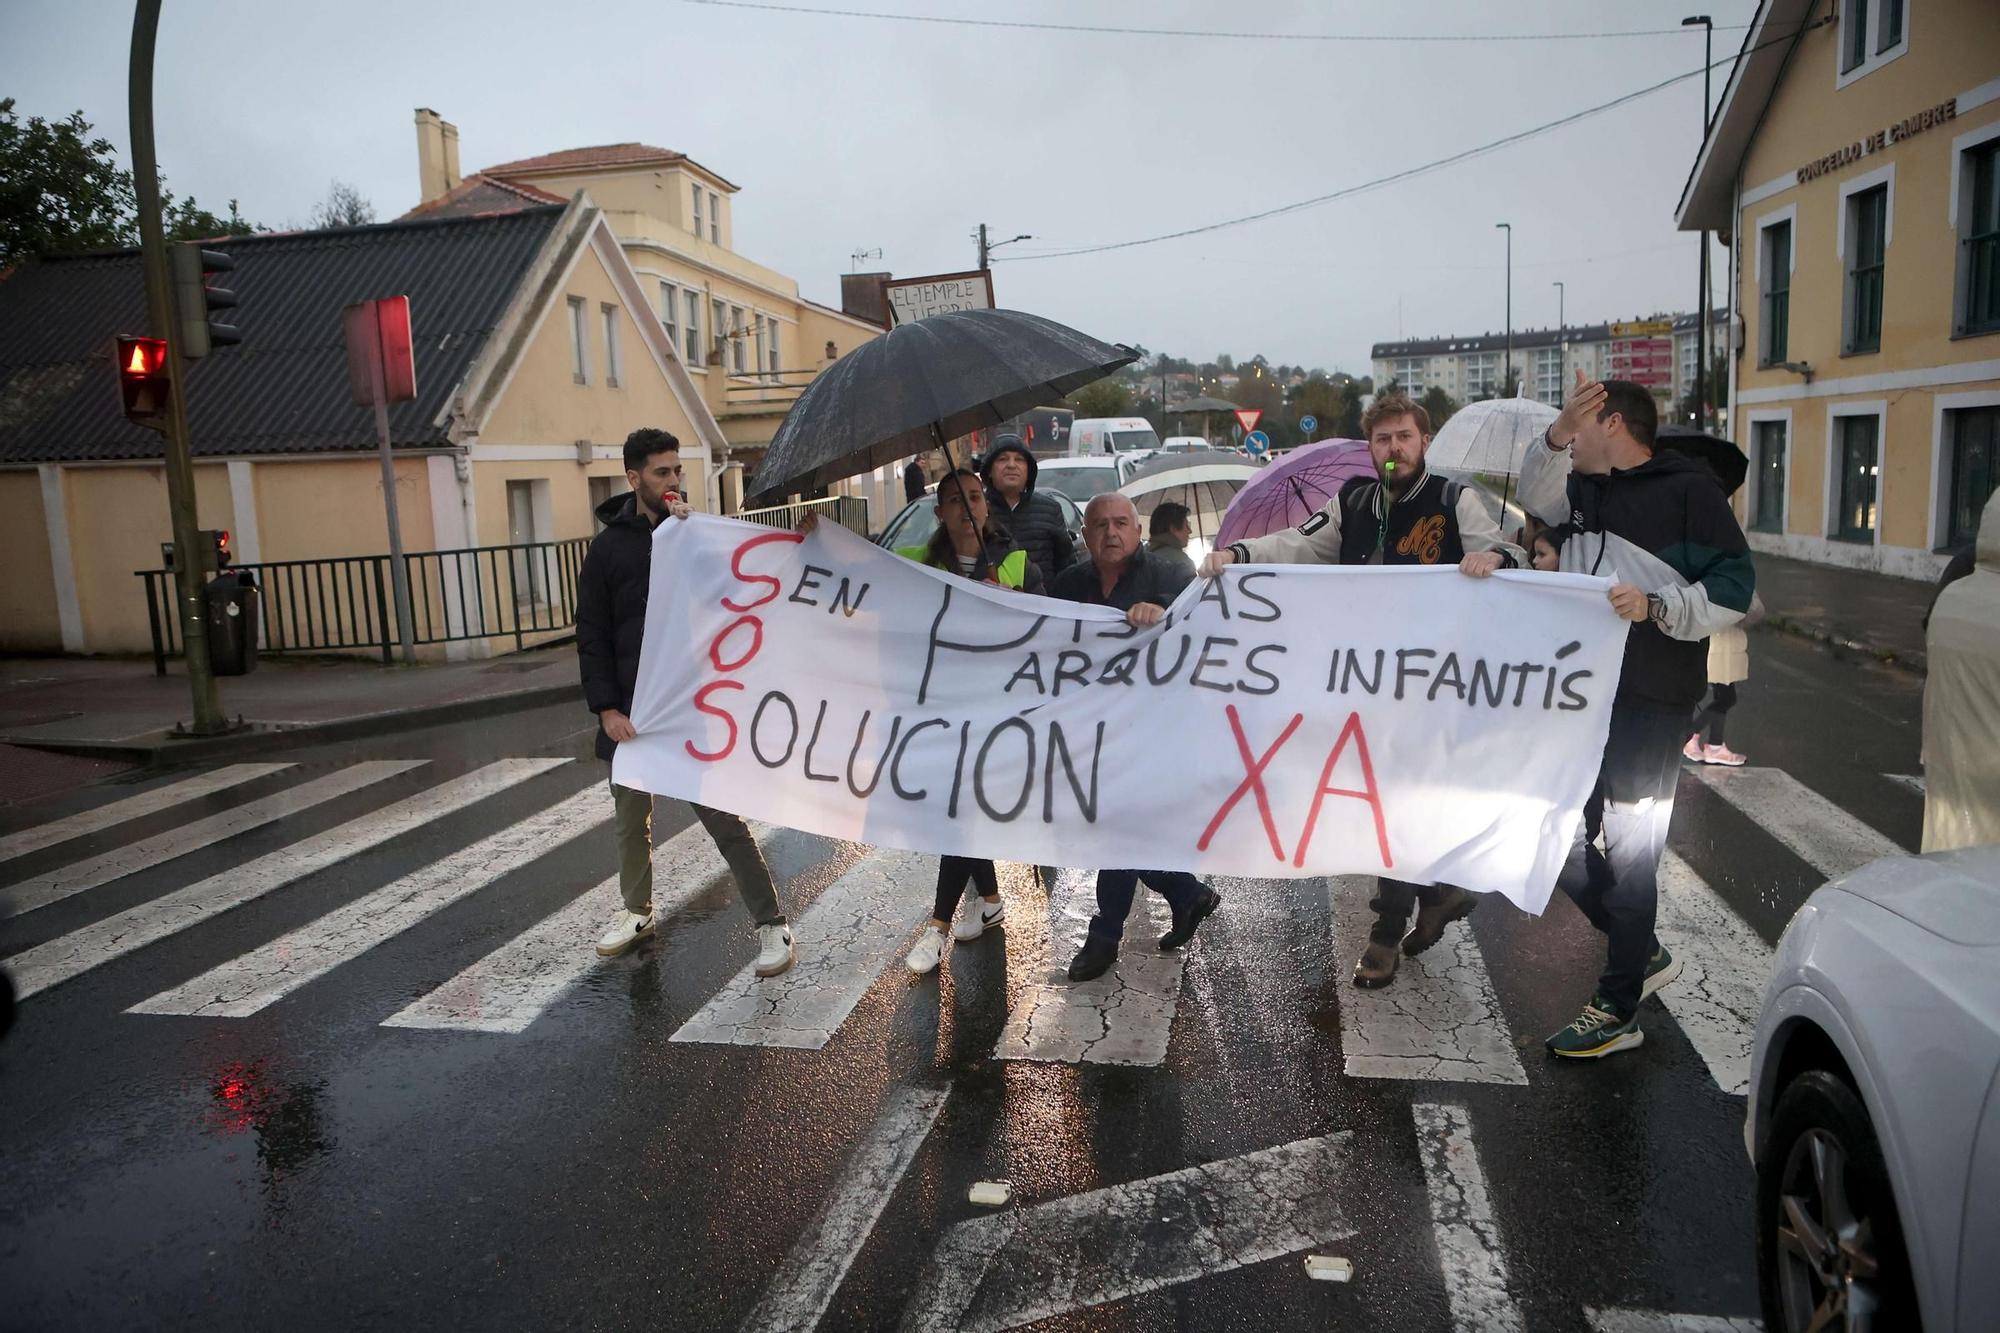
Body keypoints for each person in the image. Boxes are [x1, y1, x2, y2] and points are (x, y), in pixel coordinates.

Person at [1200, 393, 1526, 990]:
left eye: (1404, 437)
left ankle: (1386, 931)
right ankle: (1438, 893)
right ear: (1371, 447)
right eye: (1383, 439)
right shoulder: (1352, 501)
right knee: (1380, 798)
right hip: (1364, 681)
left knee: (1397, 800)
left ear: (1423, 441)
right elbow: (1299, 544)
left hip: (1430, 682)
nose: (1394, 448)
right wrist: (1238, 554)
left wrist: (1494, 558)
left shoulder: (1453, 499)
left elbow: (1508, 551)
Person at [1520, 372, 1755, 1059]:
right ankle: (1639, 945)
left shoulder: (1688, 493)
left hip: (1652, 697)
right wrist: (1559, 430)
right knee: (1553, 834)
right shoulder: (1584, 490)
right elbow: (1533, 494)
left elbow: (1735, 588)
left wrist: (1656, 606)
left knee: (1629, 849)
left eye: (1582, 424)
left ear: (1614, 424)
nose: (1572, 439)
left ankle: (1619, 1007)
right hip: (1584, 695)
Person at [577, 427, 796, 975]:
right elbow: (592, 634)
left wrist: (797, 544)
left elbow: (742, 586)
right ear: (634, 479)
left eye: (677, 469)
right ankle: (637, 912)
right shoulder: (607, 550)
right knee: (631, 820)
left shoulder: (694, 535)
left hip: (690, 707)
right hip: (632, 711)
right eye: (662, 472)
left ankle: (772, 925)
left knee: (723, 820)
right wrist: (607, 708)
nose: (673, 479)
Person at [1053, 492, 1223, 982]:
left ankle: (1105, 937)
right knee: (1108, 827)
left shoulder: (1168, 575)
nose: (1111, 533)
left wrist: (1162, 611)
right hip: (1090, 731)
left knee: (1117, 827)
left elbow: (1200, 619)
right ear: (1085, 535)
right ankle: (1187, 894)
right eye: (1100, 525)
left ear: (1138, 530)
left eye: (1121, 523)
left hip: (1153, 731)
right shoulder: (1068, 585)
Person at [887, 470, 1045, 974]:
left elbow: (1048, 632)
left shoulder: (1017, 563)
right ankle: (990, 900)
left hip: (997, 715)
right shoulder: (916, 563)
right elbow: (860, 577)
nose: (966, 506)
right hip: (938, 713)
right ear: (939, 513)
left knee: (960, 814)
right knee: (959, 810)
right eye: (955, 499)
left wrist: (1012, 605)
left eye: (974, 497)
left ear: (986, 507)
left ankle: (936, 927)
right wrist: (817, 536)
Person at [981, 435, 1076, 586]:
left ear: (1029, 470)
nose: (1011, 465)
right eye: (1002, 459)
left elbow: (1066, 565)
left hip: (1042, 598)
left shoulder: (1050, 509)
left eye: (1019, 459)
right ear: (989, 471)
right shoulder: (977, 511)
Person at [1685, 622, 1750, 766]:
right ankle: (1689, 735)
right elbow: (1752, 612)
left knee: (1722, 697)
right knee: (1727, 698)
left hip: (1720, 643)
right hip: (1721, 645)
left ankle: (1715, 746)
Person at [1146, 501, 1197, 580]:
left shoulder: (1141, 559)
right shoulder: (1182, 562)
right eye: (1187, 525)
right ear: (1173, 528)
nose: (1190, 531)